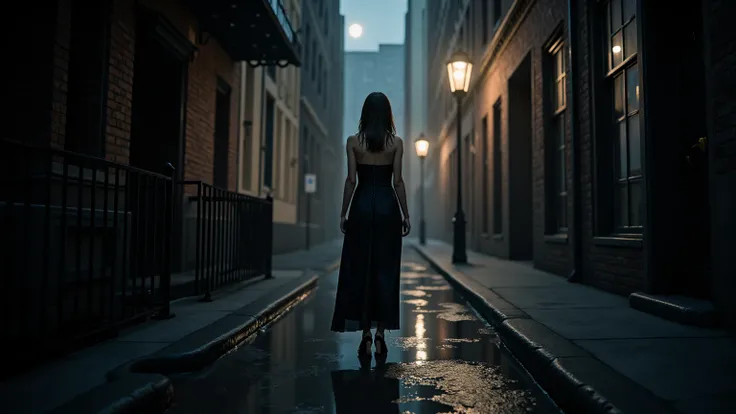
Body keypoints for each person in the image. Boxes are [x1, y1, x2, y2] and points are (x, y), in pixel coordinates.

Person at [330, 92, 410, 360]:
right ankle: (380, 336)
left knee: (361, 270)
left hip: (362, 208)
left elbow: (351, 181)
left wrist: (343, 214)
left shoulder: (353, 142)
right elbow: (397, 182)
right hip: (388, 209)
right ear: (388, 114)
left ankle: (364, 333)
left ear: (365, 114)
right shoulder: (396, 143)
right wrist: (405, 214)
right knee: (385, 271)